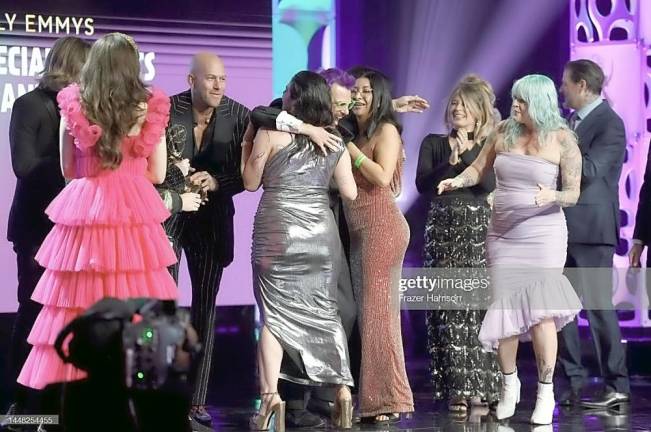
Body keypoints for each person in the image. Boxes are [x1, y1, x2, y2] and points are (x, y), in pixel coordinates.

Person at [16, 32, 177, 390]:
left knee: (74, 306)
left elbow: (68, 170)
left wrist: (98, 170)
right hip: (133, 213)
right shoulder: (150, 107)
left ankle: (69, 405)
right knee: (135, 305)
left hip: (86, 208)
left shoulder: (74, 105)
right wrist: (129, 173)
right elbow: (160, 174)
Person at [438, 74, 583, 425]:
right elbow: (478, 169)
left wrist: (553, 196)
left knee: (541, 313)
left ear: (539, 103)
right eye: (515, 99)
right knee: (505, 311)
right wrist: (457, 179)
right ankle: (509, 385)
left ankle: (545, 392)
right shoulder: (503, 131)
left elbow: (574, 194)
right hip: (503, 234)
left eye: (521, 100)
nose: (514, 105)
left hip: (543, 235)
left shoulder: (563, 141)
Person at [242, 70, 358, 431]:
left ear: (294, 100)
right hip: (320, 234)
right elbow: (350, 193)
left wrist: (248, 143)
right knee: (326, 311)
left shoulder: (269, 132)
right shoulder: (335, 141)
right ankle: (342, 391)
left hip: (278, 230)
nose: (283, 94)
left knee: (273, 317)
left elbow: (249, 183)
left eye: (287, 91)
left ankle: (270, 397)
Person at [157, 53, 250, 425]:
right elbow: (151, 164)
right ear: (191, 80)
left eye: (223, 80)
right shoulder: (165, 109)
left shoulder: (239, 115)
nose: (217, 86)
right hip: (172, 216)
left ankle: (196, 401)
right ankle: (161, 395)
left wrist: (216, 181)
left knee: (205, 311)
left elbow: (247, 175)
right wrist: (179, 180)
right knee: (164, 307)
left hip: (212, 221)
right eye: (210, 79)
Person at [5, 36, 90, 418]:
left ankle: (62, 399)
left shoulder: (88, 110)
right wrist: (71, 164)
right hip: (37, 229)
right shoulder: (29, 105)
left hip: (74, 230)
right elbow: (23, 166)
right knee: (34, 312)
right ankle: (22, 402)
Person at [415, 74, 500, 413]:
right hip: (443, 228)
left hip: (477, 227)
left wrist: (466, 158)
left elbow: (487, 184)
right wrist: (449, 163)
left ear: (479, 112)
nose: (458, 109)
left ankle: (486, 385)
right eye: (454, 104)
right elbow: (423, 185)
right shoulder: (433, 143)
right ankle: (457, 390)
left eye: (464, 105)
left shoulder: (487, 145)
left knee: (478, 306)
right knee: (449, 306)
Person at [557, 59, 630, 409]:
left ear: (582, 85)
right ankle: (571, 382)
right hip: (561, 228)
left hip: (592, 230)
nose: (562, 89)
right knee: (561, 311)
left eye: (566, 84)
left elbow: (591, 170)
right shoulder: (571, 121)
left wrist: (554, 151)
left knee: (598, 308)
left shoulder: (609, 124)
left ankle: (617, 383)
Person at [344, 67, 414, 423]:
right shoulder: (356, 131)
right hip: (361, 234)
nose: (358, 96)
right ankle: (384, 398)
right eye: (355, 90)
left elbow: (382, 176)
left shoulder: (384, 131)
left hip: (382, 230)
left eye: (367, 91)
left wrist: (352, 150)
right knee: (372, 317)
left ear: (379, 96)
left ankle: (384, 400)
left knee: (377, 318)